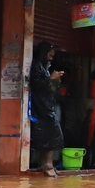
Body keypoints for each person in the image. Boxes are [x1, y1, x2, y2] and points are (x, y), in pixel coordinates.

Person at [27, 42, 64, 177]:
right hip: (42, 107)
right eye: (50, 55)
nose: (51, 59)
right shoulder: (37, 65)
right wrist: (50, 78)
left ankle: (46, 164)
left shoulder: (43, 66)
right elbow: (36, 84)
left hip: (46, 106)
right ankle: (47, 164)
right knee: (53, 134)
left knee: (50, 135)